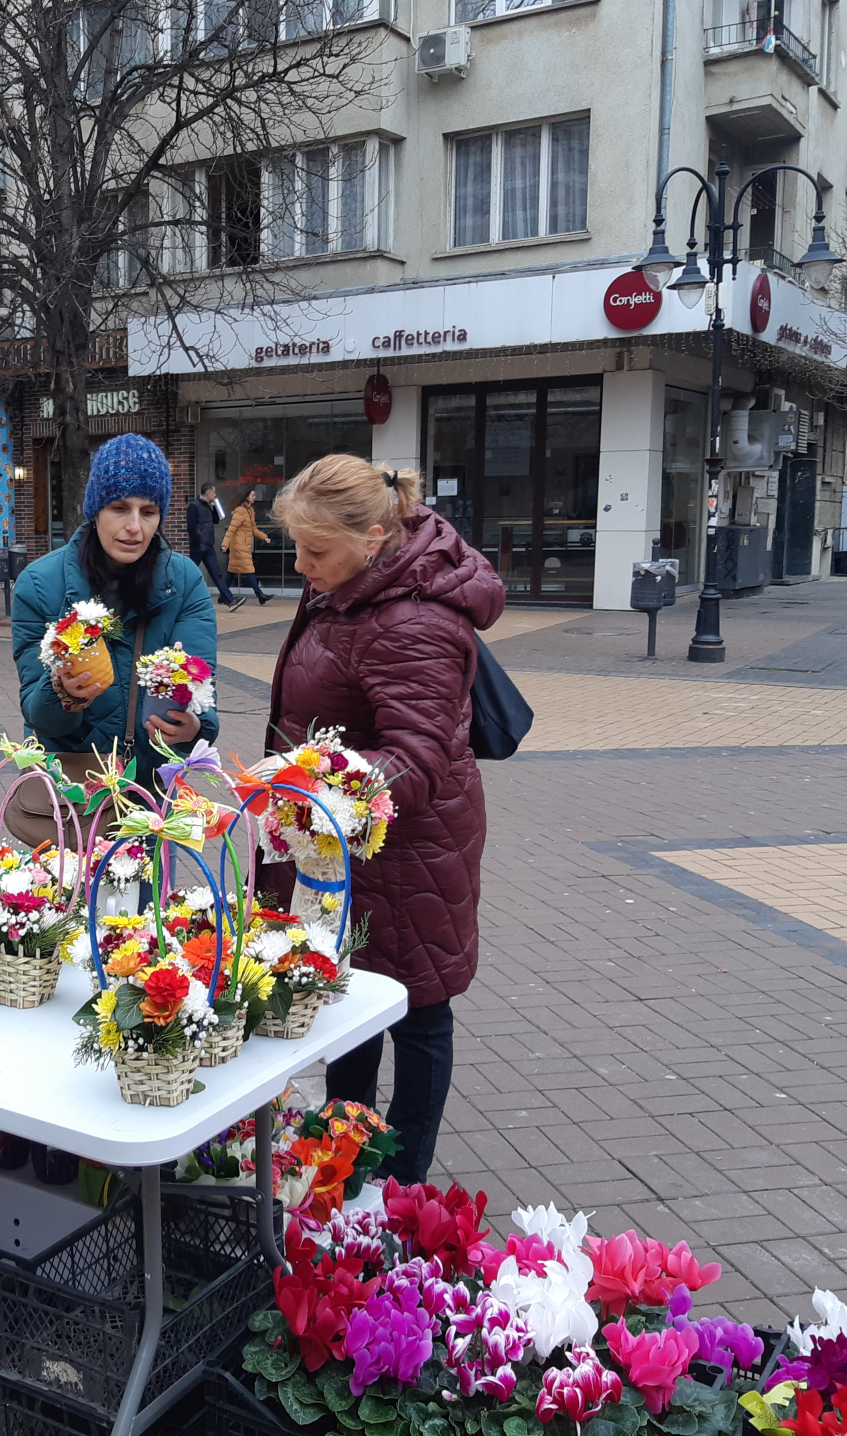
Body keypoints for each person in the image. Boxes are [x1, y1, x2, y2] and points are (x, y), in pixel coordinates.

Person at [264, 454, 504, 1186]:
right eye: (296, 548)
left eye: (315, 551)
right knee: (353, 1002)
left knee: (419, 1007)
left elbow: (419, 754)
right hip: (353, 845)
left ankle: (398, 1183)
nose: (301, 566)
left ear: (373, 537)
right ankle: (346, 1158)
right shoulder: (358, 584)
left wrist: (320, 789)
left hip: (408, 851)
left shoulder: (414, 619)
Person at [12, 434, 219, 759]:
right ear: (95, 512)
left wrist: (195, 725)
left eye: (148, 512)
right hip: (72, 789)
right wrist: (63, 693)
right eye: (119, 508)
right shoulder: (38, 585)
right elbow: (38, 717)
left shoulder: (184, 582)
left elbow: (202, 684)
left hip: (153, 788)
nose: (134, 526)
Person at [187, 482, 243, 611]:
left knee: (216, 574)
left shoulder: (208, 506)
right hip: (199, 546)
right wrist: (198, 541)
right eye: (214, 493)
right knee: (190, 573)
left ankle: (231, 601)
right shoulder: (194, 506)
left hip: (208, 546)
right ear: (208, 493)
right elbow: (191, 527)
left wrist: (215, 508)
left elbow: (216, 520)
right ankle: (181, 598)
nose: (215, 495)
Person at [221, 488, 272, 605]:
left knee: (231, 572)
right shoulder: (240, 511)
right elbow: (231, 529)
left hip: (243, 545)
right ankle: (260, 595)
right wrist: (225, 544)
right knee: (249, 570)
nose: (254, 497)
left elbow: (253, 528)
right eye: (252, 495)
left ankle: (222, 596)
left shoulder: (249, 510)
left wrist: (264, 537)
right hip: (239, 546)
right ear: (247, 497)